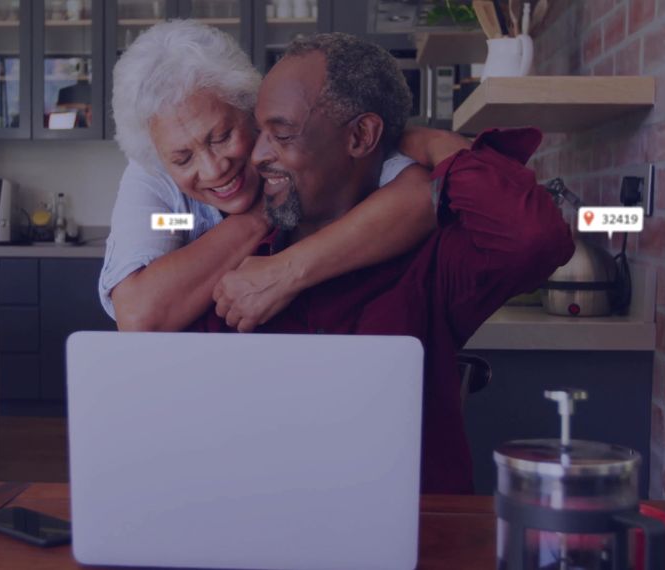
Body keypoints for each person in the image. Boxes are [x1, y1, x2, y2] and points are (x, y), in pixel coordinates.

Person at [188, 33, 575, 494]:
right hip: (259, 522)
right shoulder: (236, 269)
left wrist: (426, 142)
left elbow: (535, 239)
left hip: (419, 534)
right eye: (260, 132)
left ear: (361, 136)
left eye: (283, 133)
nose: (257, 155)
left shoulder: (432, 262)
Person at [100, 20, 438, 332]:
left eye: (221, 137)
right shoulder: (165, 207)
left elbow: (425, 196)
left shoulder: (301, 147)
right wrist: (257, 217)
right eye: (183, 158)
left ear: (251, 108)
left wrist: (285, 272)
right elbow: (139, 314)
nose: (214, 168)